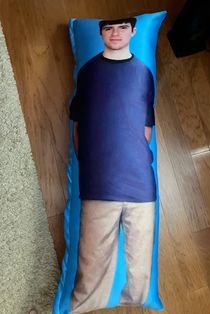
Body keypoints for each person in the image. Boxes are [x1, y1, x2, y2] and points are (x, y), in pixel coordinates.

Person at [70, 17, 156, 314]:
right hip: (99, 185)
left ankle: (135, 301)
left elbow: (146, 127)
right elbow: (78, 126)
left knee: (140, 269)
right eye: (108, 28)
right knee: (91, 266)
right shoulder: (89, 72)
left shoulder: (144, 73)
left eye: (122, 27)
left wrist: (135, 159)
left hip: (141, 187)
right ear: (100, 33)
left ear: (134, 31)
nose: (115, 33)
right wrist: (91, 167)